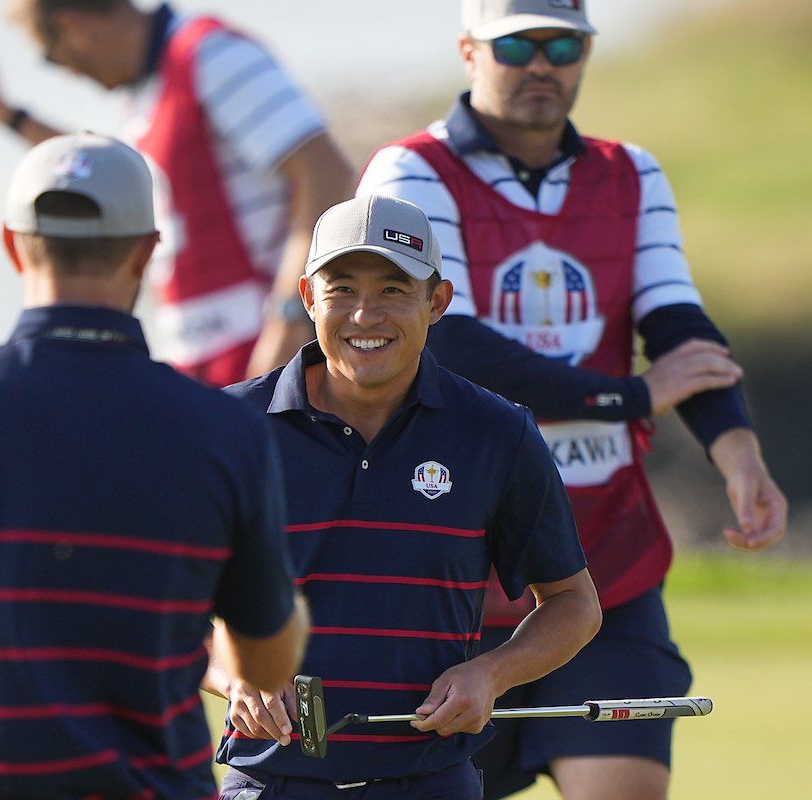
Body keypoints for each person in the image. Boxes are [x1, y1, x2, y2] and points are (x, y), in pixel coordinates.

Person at [356, 2, 789, 797]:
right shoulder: (408, 171)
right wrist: (628, 396)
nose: (542, 63)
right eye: (517, 44)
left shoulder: (631, 172)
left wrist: (739, 453)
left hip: (604, 573)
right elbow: (447, 341)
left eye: (563, 44)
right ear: (468, 52)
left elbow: (677, 324)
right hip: (447, 579)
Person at [0, 133, 310, 800]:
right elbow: (265, 663)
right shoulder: (224, 431)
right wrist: (290, 614)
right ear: (147, 251)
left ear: (14, 245)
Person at [204, 194, 602, 799]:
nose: (365, 316)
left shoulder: (497, 433)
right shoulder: (230, 429)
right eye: (341, 289)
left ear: (436, 301)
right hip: (271, 782)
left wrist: (490, 673)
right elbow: (161, 602)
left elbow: (574, 603)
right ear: (309, 298)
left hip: (432, 782)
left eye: (393, 288)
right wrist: (235, 674)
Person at [0, 0, 354, 386]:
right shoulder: (144, 94)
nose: (69, 73)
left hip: (269, 357)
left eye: (53, 58)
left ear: (74, 26)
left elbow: (327, 173)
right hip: (208, 365)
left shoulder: (210, 54)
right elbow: (104, 173)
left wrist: (289, 318)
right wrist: (8, 116)